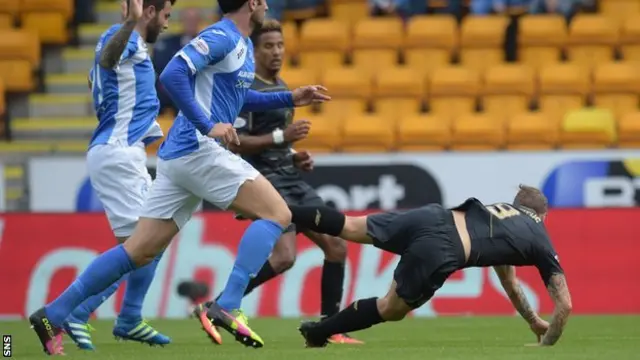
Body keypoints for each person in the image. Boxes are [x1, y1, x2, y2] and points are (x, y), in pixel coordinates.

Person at [28, 0, 330, 354]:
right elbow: (172, 73)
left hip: (178, 157)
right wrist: (209, 125)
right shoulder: (222, 36)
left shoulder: (242, 44)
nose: (266, 5)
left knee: (138, 251)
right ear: (251, 4)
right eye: (262, 0)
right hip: (198, 148)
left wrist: (290, 95)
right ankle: (229, 304)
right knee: (278, 214)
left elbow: (238, 98)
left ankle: (54, 313)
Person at [193, 19, 362, 345]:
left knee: (336, 246)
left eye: (280, 45)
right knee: (285, 257)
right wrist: (282, 136)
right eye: (268, 46)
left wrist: (293, 153)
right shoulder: (247, 88)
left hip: (290, 176)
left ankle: (331, 327)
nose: (276, 52)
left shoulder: (282, 84)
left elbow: (274, 141)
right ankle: (222, 304)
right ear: (254, 51)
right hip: (267, 182)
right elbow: (235, 139)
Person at [284, 185, 572, 347]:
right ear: (543, 215)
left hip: (433, 216)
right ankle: (319, 332)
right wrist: (547, 342)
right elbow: (565, 306)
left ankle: (278, 211)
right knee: (390, 309)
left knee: (348, 225)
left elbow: (509, 280)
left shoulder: (503, 215)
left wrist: (532, 320)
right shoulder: (539, 237)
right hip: (443, 247)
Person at [62, 0, 175, 353]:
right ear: (150, 12)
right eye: (166, 16)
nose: (168, 25)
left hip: (121, 151)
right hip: (118, 152)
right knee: (144, 244)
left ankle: (124, 316)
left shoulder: (130, 45)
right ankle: (77, 313)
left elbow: (103, 73)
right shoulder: (120, 38)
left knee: (145, 246)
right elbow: (106, 60)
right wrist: (129, 24)